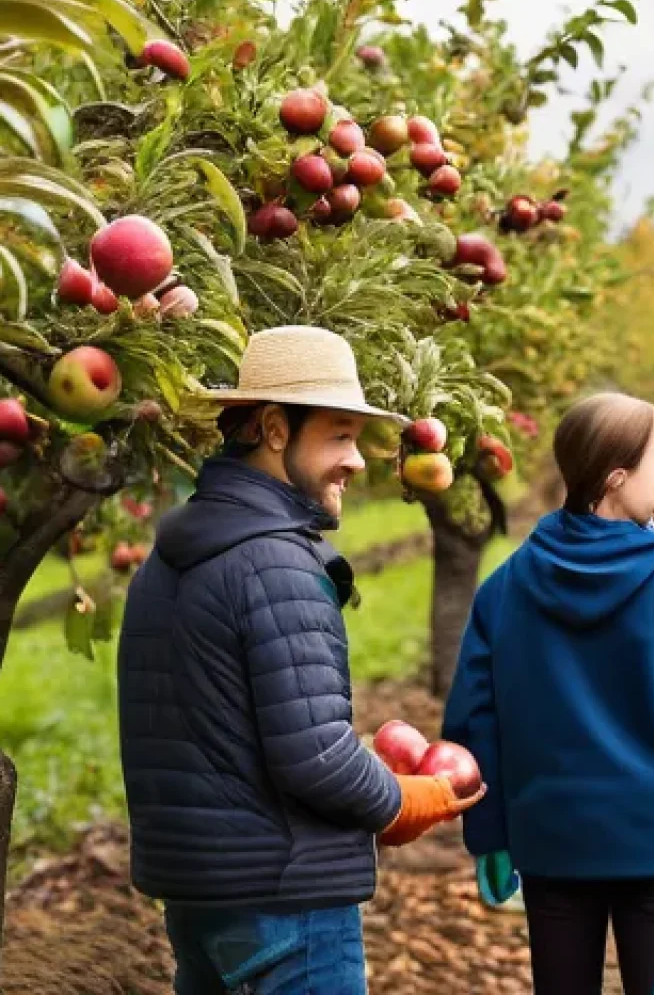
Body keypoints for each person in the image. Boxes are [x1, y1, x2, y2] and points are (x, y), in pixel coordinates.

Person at [117, 325, 483, 995]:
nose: (358, 461)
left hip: (201, 896)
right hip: (286, 903)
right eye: (340, 435)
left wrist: (362, 757)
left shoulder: (171, 557)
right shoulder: (277, 563)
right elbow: (314, 758)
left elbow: (223, 727)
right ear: (276, 430)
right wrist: (402, 800)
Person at [442, 391, 654, 995]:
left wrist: (488, 835)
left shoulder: (505, 586)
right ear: (617, 477)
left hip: (552, 843)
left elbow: (473, 722)